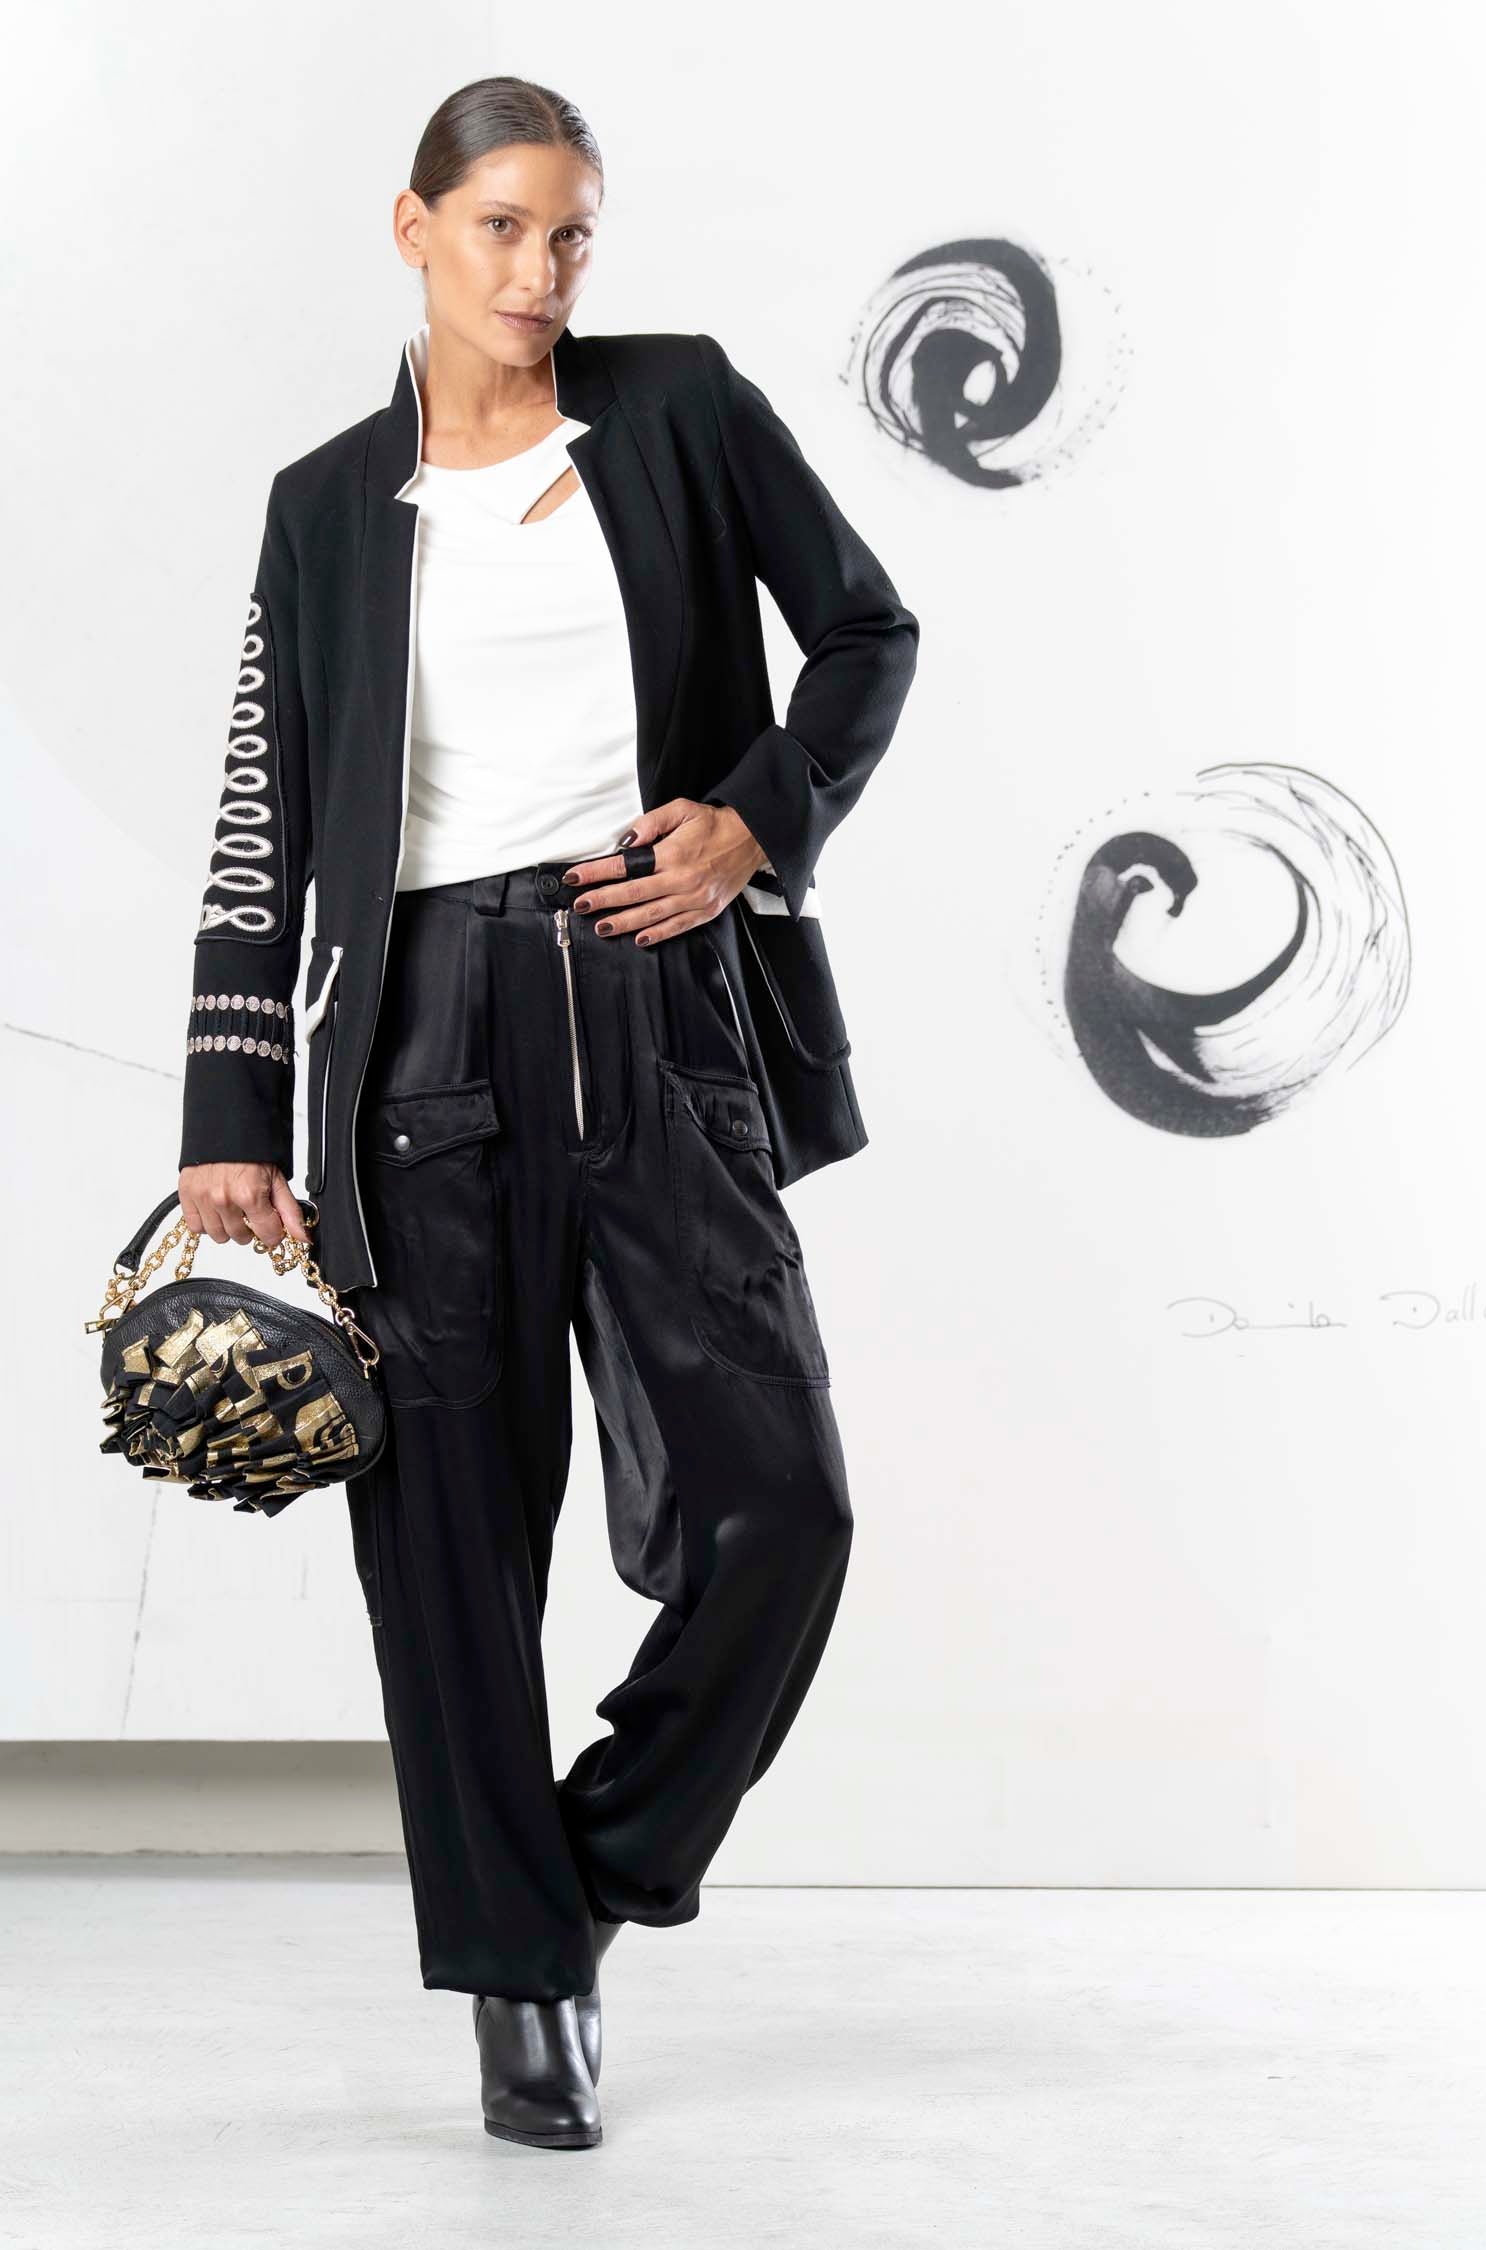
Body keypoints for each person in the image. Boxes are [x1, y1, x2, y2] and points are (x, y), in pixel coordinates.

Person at [176, 75, 919, 2152]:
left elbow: (865, 630)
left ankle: (583, 1870)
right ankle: (520, 1988)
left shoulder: (677, 409)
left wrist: (754, 819)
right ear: (413, 227)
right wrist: (233, 1107)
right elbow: (260, 819)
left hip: (654, 1001)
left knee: (783, 1504)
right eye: (500, 225)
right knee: (446, 1546)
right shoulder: (326, 504)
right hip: (414, 1048)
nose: (539, 270)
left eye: (572, 231)